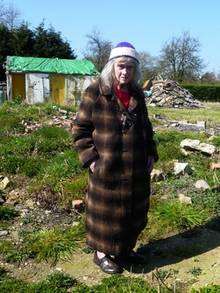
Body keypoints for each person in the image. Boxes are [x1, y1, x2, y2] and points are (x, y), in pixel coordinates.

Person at [73, 42, 158, 274]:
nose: (125, 72)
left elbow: (146, 127)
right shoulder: (95, 91)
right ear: (112, 66)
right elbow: (80, 129)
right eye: (121, 66)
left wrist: (151, 152)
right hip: (106, 168)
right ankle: (101, 253)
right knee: (106, 213)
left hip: (136, 167)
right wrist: (91, 160)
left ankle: (125, 249)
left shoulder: (138, 94)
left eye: (130, 67)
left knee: (133, 210)